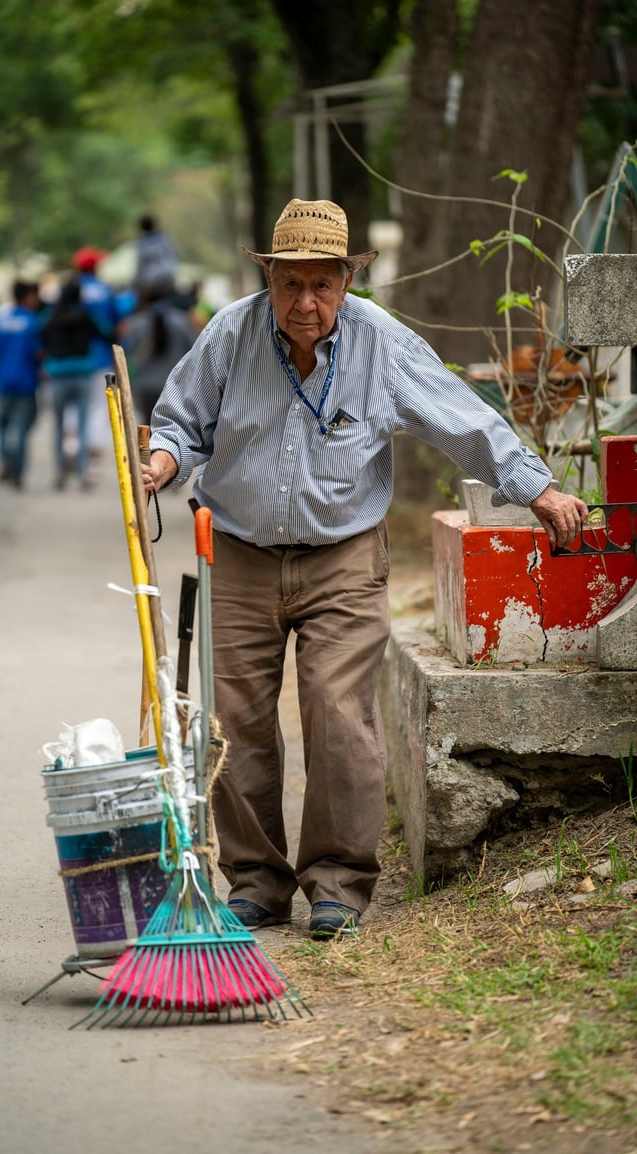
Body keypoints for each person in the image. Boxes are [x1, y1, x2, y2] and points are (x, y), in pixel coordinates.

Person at [142, 198, 588, 940]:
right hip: (240, 553)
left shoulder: (383, 344)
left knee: (339, 714)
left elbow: (464, 420)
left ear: (348, 281)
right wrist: (159, 463)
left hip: (343, 556)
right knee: (237, 723)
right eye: (291, 285)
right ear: (271, 280)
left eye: (323, 284)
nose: (306, 302)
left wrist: (537, 491)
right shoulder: (231, 333)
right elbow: (182, 421)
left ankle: (337, 882)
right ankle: (253, 881)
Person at [41, 277, 106, 491]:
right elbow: (105, 331)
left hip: (58, 374)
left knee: (59, 425)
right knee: (82, 424)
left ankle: (60, 472)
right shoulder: (85, 315)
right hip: (82, 373)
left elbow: (38, 332)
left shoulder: (51, 315)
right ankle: (82, 473)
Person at [0, 281, 42, 489]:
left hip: (2, 381)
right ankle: (17, 469)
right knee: (21, 428)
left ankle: (6, 458)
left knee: (2, 425)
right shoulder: (32, 322)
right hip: (25, 382)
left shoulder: (1, 320)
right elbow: (37, 352)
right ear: (27, 297)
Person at [71, 246, 118, 456]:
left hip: (75, 357)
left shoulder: (71, 290)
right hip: (101, 357)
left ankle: (72, 445)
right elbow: (116, 322)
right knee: (100, 405)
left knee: (76, 404)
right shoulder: (105, 290)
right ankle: (94, 448)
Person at [125, 291, 197, 424]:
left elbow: (127, 352)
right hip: (175, 385)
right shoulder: (181, 321)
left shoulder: (136, 323)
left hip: (145, 385)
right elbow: (194, 351)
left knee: (148, 430)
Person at [134, 215, 178, 301]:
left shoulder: (141, 244)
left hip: (151, 282)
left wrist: (137, 285)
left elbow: (140, 267)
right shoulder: (165, 238)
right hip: (167, 278)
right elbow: (174, 256)